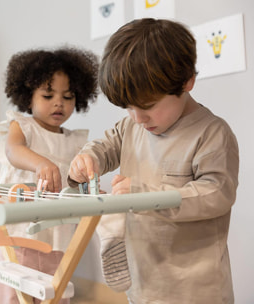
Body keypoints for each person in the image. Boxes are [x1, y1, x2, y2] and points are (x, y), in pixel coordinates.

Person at [68, 18, 239, 304]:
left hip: (195, 288)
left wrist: (144, 197)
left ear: (187, 82)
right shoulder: (132, 126)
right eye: (128, 107)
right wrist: (87, 158)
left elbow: (217, 193)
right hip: (143, 279)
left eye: (147, 106)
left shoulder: (211, 134)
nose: (138, 118)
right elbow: (105, 147)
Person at [0, 46, 99, 304]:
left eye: (68, 96)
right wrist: (40, 163)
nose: (59, 103)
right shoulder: (22, 126)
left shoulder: (74, 141)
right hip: (19, 234)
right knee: (14, 290)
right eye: (48, 95)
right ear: (29, 97)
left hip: (59, 236)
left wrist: (89, 188)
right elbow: (13, 150)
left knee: (55, 290)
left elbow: (78, 177)